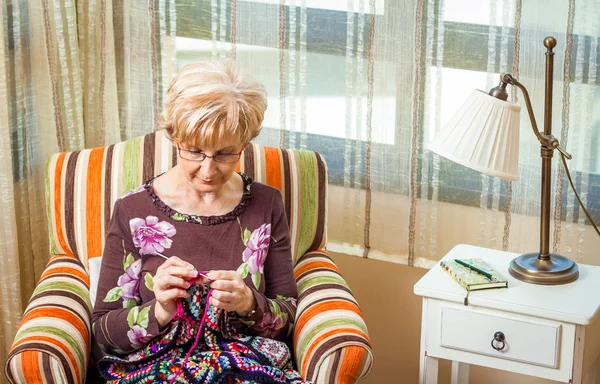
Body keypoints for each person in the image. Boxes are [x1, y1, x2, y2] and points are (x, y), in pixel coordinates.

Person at [92, 60, 306, 383]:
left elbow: (288, 315)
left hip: (245, 366)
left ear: (243, 145)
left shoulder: (267, 205)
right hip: (156, 367)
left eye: (224, 154)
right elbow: (103, 331)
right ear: (175, 138)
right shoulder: (131, 212)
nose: (208, 170)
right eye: (194, 151)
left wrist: (249, 303)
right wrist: (159, 310)